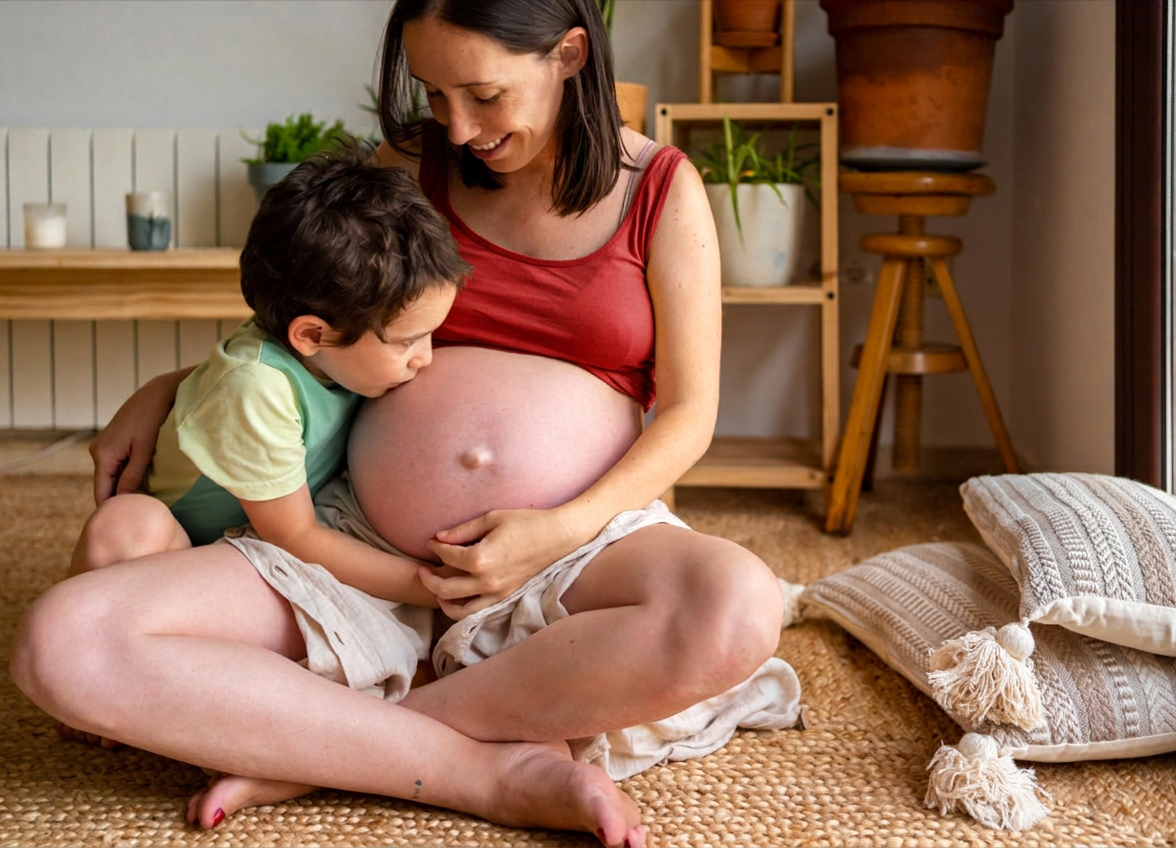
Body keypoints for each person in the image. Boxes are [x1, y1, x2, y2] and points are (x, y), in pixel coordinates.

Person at [10, 2, 798, 845]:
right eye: (434, 95)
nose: (456, 129)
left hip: (577, 544)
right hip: (354, 538)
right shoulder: (414, 163)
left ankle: (324, 745)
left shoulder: (662, 191)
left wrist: (555, 528)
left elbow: (688, 412)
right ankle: (483, 771)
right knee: (65, 640)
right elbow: (310, 324)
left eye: (483, 94)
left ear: (570, 54)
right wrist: (170, 388)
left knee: (737, 605)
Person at [68, 143, 464, 613]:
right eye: (408, 342)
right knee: (125, 528)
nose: (426, 357)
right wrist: (429, 589)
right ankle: (96, 630)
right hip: (186, 542)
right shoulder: (257, 385)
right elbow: (295, 535)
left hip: (259, 537)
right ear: (313, 334)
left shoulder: (337, 356)